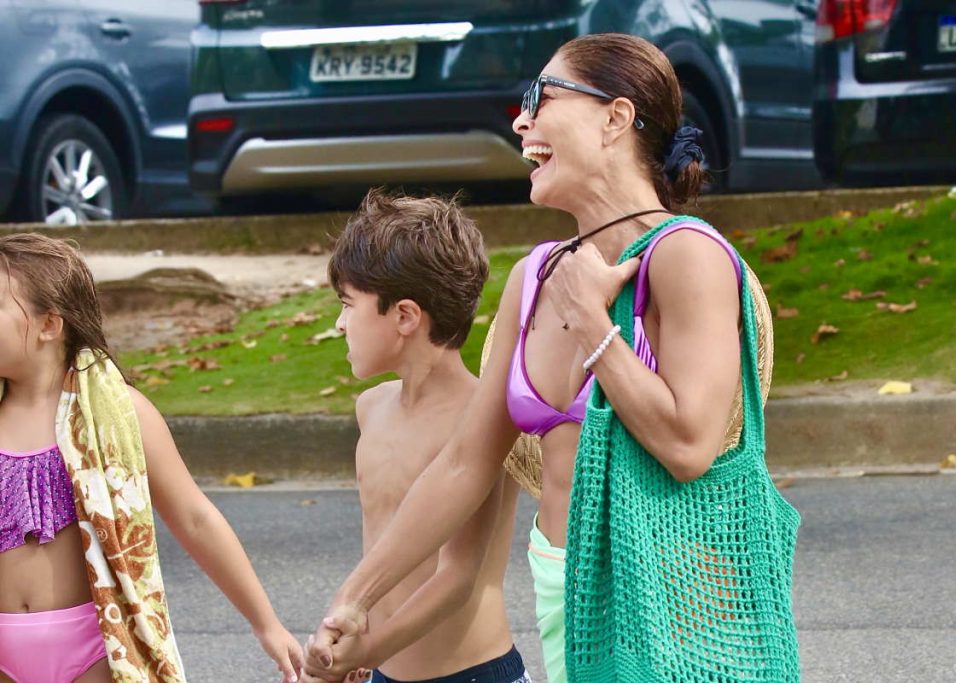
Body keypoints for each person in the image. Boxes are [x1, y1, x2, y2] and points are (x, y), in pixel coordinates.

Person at [311, 33, 800, 682]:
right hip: (562, 587)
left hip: (674, 599)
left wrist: (592, 324)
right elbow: (462, 463)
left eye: (541, 98)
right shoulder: (536, 276)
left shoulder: (687, 256)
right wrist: (356, 595)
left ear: (615, 118)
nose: (521, 119)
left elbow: (690, 446)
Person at [0, 233, 303, 683]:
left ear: (49, 324)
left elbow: (195, 518)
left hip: (96, 645)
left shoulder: (122, 412)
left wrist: (266, 624)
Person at [299, 191, 530, 683]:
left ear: (404, 316)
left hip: (473, 673)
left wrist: (364, 651)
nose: (339, 324)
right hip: (381, 669)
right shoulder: (371, 408)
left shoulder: (482, 422)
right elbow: (383, 547)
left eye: (347, 305)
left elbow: (458, 577)